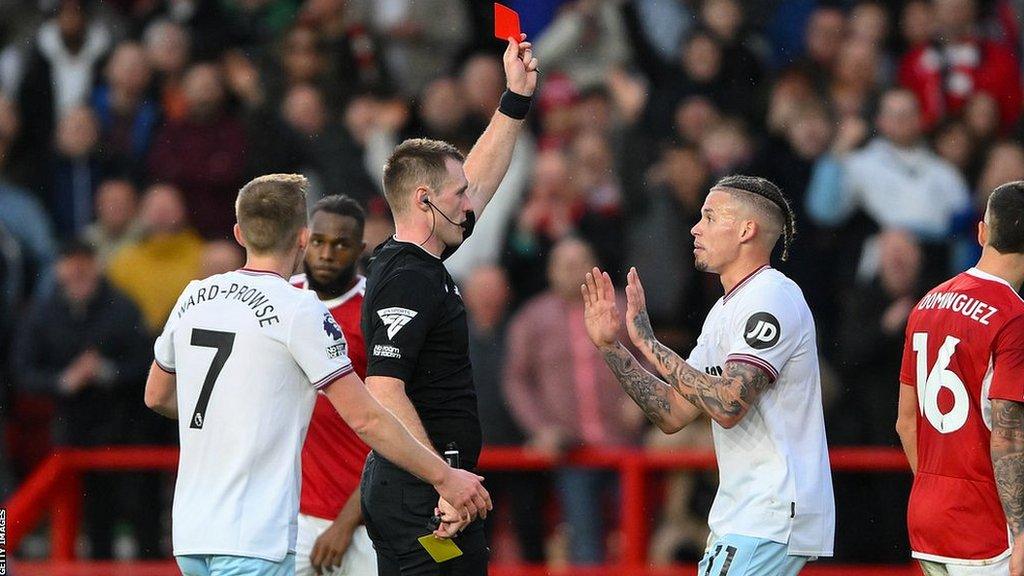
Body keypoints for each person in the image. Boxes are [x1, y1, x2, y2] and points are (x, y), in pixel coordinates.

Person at [143, 173, 490, 576]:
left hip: (192, 532)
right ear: (303, 238)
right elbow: (366, 416)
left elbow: (156, 396)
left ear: (239, 233)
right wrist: (444, 476)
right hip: (253, 534)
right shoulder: (299, 309)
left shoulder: (194, 295)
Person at [581, 175, 835, 575]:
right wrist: (613, 348)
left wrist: (650, 344)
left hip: (770, 510)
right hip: (742, 515)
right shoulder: (724, 311)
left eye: (710, 217)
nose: (695, 228)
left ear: (746, 230)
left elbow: (729, 403)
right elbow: (673, 413)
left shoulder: (771, 296)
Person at [359, 35, 537, 576]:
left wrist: (514, 100)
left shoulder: (418, 263)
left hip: (434, 488)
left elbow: (480, 177)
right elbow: (383, 391)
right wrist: (443, 478)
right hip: (427, 495)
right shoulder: (408, 277)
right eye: (458, 194)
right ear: (423, 200)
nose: (470, 201)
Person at [896, 181, 1024, 576]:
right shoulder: (1013, 317)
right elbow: (1008, 436)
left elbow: (905, 422)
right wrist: (1021, 534)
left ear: (983, 231)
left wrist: (941, 492)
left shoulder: (927, 303)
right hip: (986, 530)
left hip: (928, 519)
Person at [289, 195, 375, 576]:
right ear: (303, 239)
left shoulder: (376, 310)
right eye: (319, 241)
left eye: (341, 245)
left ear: (360, 250)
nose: (326, 253)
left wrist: (345, 522)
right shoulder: (279, 298)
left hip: (362, 516)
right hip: (289, 515)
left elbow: (398, 421)